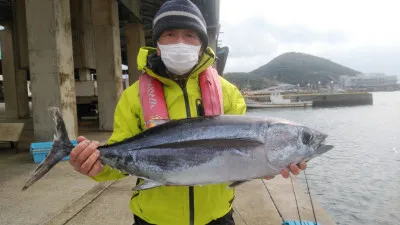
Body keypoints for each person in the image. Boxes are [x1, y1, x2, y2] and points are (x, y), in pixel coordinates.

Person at [69, 0, 307, 224]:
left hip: (216, 217)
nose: (179, 42)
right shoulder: (133, 96)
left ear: (202, 44)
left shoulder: (229, 93)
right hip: (153, 219)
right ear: (158, 46)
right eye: (170, 34)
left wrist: (270, 165)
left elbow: (242, 160)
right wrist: (95, 166)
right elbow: (119, 159)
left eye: (189, 35)